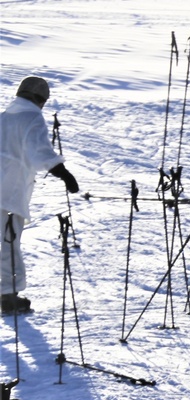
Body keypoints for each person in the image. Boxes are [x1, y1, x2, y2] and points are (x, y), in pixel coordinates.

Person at [1, 76, 79, 316]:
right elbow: (39, 150)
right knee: (7, 243)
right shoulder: (31, 117)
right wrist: (62, 172)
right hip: (9, 193)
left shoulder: (4, 116)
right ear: (39, 99)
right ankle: (8, 296)